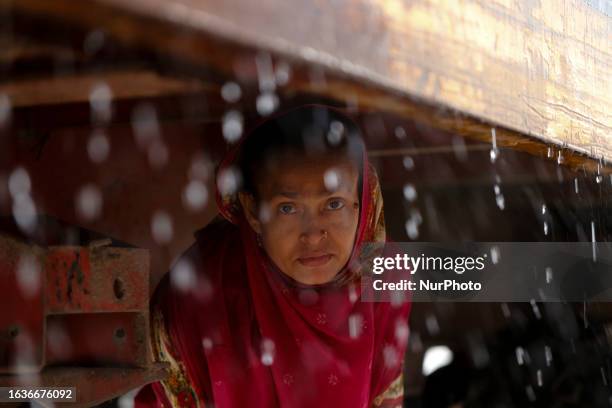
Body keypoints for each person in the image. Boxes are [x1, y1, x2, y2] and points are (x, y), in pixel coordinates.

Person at [135, 105, 411, 407]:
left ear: (363, 201)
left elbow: (386, 398)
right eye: (288, 208)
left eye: (333, 204)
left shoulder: (385, 275)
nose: (314, 234)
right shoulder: (197, 296)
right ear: (253, 211)